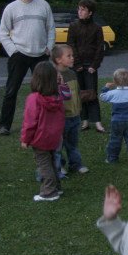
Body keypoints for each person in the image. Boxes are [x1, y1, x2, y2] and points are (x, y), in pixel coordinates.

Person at [0, 0, 55, 135]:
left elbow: (50, 28)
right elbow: (3, 32)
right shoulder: (11, 8)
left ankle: (44, 123)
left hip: (41, 54)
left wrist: (49, 47)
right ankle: (4, 125)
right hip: (19, 54)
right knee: (11, 90)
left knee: (44, 91)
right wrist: (13, 51)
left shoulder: (43, 5)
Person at [20, 61, 65, 202]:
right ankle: (57, 187)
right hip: (55, 136)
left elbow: (30, 122)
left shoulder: (34, 99)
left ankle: (49, 191)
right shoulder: (57, 97)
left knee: (44, 164)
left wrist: (25, 139)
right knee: (52, 161)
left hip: (40, 138)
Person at [67, 0, 106, 132]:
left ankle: (97, 122)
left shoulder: (97, 28)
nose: (80, 12)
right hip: (77, 65)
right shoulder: (73, 26)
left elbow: (100, 48)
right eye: (79, 9)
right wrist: (76, 63)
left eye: (83, 10)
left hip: (91, 65)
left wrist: (94, 65)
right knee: (80, 92)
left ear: (90, 13)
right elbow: (71, 45)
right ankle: (84, 120)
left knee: (92, 92)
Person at [51, 44, 88, 175]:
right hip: (61, 117)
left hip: (74, 115)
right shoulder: (53, 76)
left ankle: (75, 164)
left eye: (72, 55)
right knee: (58, 144)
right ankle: (59, 165)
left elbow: (76, 92)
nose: (72, 58)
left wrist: (79, 108)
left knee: (73, 142)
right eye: (69, 56)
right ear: (58, 59)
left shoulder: (72, 73)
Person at [100, 68, 128, 164]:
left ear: (114, 81)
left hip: (116, 121)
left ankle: (112, 158)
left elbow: (102, 97)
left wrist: (106, 87)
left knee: (115, 140)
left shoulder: (112, 93)